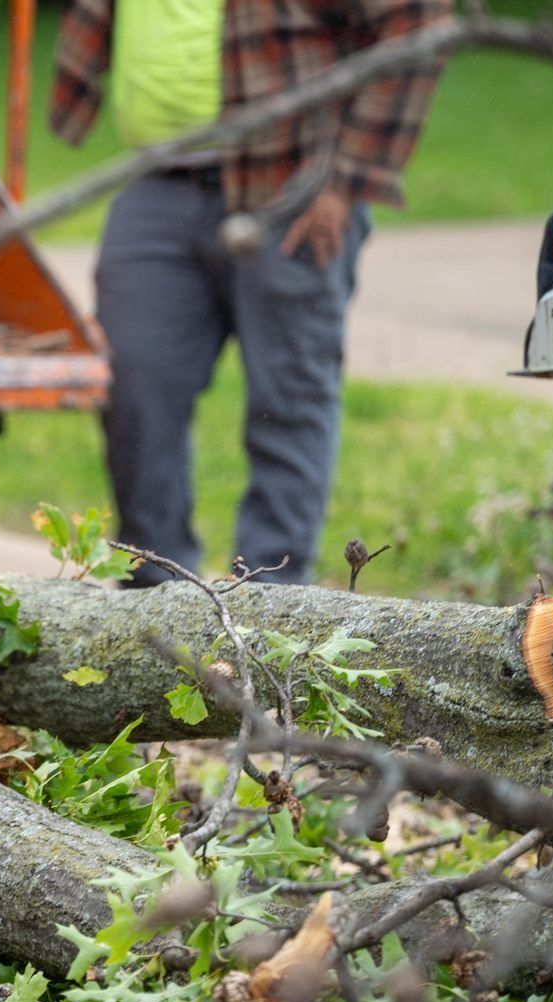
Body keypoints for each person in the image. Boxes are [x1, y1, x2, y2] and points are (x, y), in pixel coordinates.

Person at [52, 0, 451, 586]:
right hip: (160, 176)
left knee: (286, 401)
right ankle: (154, 596)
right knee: (133, 377)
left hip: (294, 184)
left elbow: (420, 17)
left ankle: (271, 609)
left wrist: (348, 180)